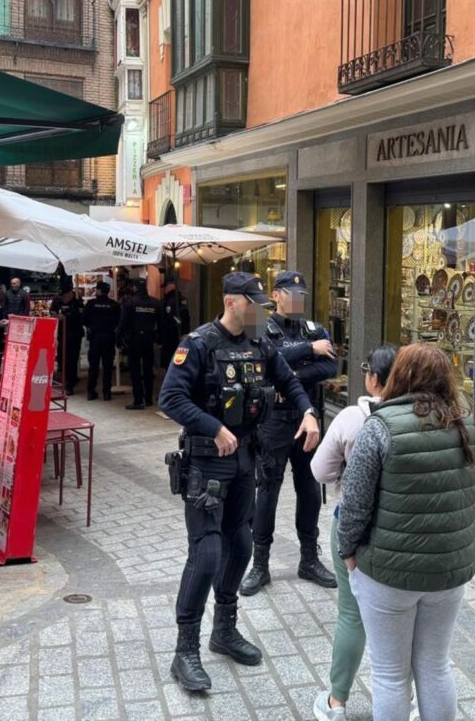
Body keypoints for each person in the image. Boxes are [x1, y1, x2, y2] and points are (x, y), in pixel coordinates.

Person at [160, 271, 320, 693]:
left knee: (243, 545)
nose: (260, 311)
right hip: (207, 466)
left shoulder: (259, 343)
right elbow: (170, 398)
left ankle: (224, 630)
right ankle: (185, 649)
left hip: (245, 461)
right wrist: (212, 427)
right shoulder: (197, 345)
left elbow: (288, 380)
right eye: (254, 303)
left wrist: (308, 412)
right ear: (233, 302)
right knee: (208, 553)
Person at [337, 343, 475, 721]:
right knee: (435, 665)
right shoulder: (464, 425)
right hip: (449, 570)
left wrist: (348, 552)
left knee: (390, 675)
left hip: (388, 573)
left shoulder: (381, 426)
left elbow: (354, 504)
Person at [310, 345, 398, 721]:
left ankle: (337, 702)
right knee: (400, 617)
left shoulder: (350, 417)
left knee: (352, 614)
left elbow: (320, 470)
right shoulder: (421, 417)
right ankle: (403, 701)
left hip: (354, 526)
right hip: (400, 528)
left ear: (373, 378)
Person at [241, 270, 338, 595]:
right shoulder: (261, 328)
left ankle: (309, 559)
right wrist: (310, 351)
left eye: (302, 296)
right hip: (274, 421)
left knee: (309, 488)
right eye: (291, 294)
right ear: (276, 295)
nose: (297, 301)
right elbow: (261, 360)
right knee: (267, 491)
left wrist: (285, 373)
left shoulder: (314, 328)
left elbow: (331, 368)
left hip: (306, 416)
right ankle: (260, 564)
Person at [117, 277, 162, 410]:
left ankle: (138, 400)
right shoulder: (156, 303)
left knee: (135, 371)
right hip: (149, 340)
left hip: (134, 340)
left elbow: (122, 323)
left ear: (135, 288)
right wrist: (160, 339)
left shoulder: (130, 303)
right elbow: (162, 323)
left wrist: (118, 340)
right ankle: (148, 399)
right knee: (148, 370)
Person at [83, 281, 120, 401]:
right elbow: (118, 321)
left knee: (93, 366)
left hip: (95, 338)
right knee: (108, 367)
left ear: (99, 291)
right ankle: (106, 393)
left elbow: (83, 319)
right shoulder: (114, 305)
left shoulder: (91, 304)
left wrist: (92, 326)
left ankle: (90, 392)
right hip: (109, 338)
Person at [50, 286, 85, 395]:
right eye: (62, 296)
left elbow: (80, 318)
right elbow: (52, 310)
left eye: (65, 296)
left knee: (72, 359)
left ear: (70, 293)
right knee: (61, 358)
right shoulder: (58, 301)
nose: (63, 298)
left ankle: (70, 384)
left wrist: (66, 317)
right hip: (62, 334)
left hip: (74, 334)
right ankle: (65, 378)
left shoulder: (77, 302)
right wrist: (55, 314)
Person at [160, 276, 192, 369]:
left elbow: (172, 318)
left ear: (169, 286)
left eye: (165, 287)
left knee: (171, 365)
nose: (164, 290)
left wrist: (177, 321)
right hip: (181, 337)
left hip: (170, 338)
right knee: (179, 363)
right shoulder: (181, 298)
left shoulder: (169, 301)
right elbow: (185, 318)